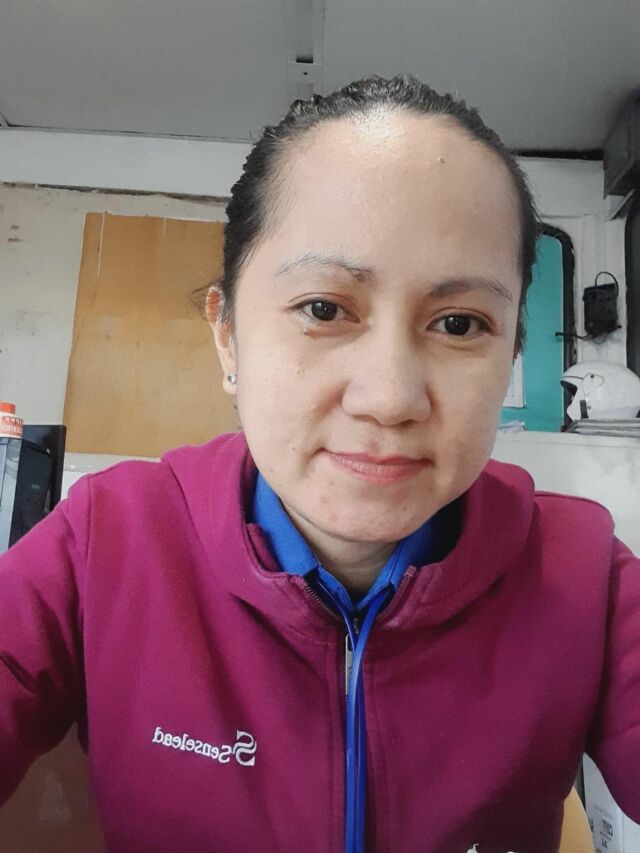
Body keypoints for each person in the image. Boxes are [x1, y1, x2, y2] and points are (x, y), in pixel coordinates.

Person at [0, 75, 638, 853]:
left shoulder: (587, 578)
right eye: (324, 309)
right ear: (228, 336)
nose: (390, 398)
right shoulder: (105, 541)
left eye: (460, 323)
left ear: (509, 354)